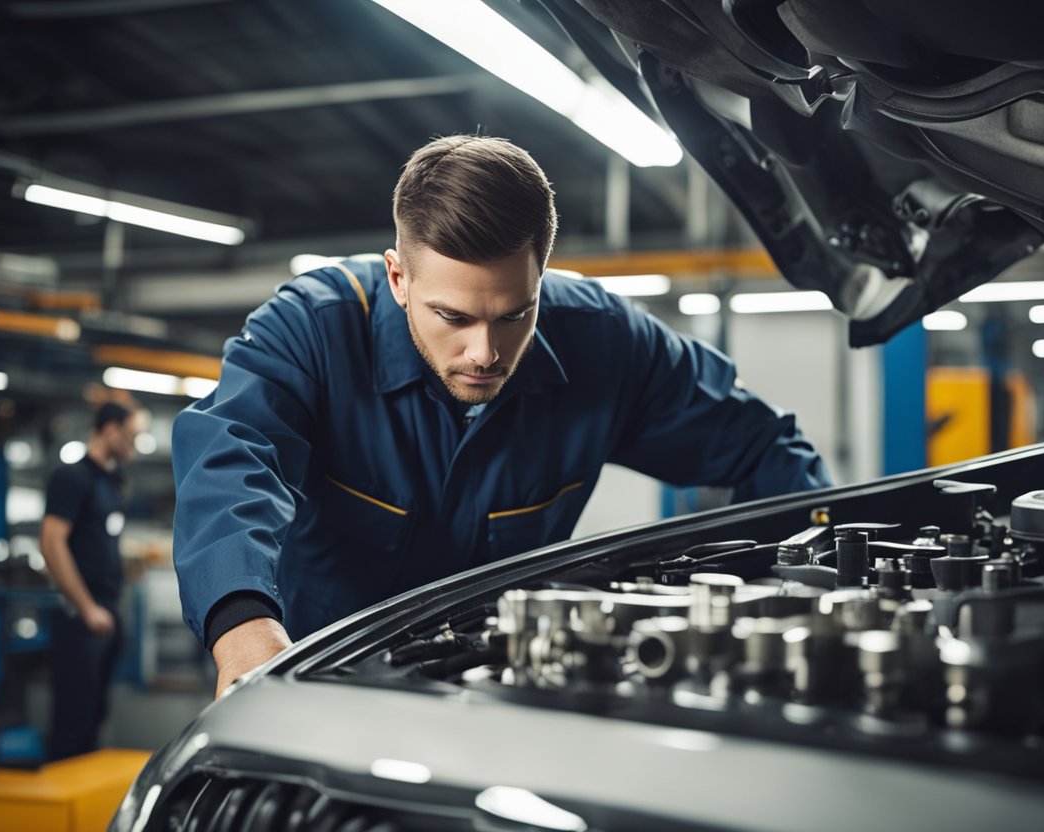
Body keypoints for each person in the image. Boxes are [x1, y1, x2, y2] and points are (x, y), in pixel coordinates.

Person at [172, 135, 831, 698]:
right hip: (323, 688)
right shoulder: (312, 330)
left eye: (515, 314)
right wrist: (243, 629)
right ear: (398, 279)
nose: (485, 353)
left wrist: (812, 581)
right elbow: (232, 460)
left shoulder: (606, 342)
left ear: (543, 276)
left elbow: (765, 446)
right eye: (453, 318)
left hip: (505, 692)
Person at [39, 401, 139, 759]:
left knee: (95, 715)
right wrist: (86, 608)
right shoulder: (72, 477)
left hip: (107, 608)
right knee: (74, 717)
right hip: (83, 614)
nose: (133, 445)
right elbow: (52, 542)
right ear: (110, 429)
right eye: (130, 436)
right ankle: (57, 808)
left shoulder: (110, 484)